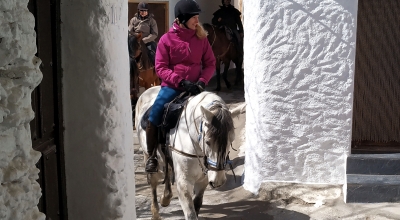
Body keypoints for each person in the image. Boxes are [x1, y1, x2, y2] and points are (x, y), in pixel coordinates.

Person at [144, 0, 216, 173]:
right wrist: (180, 81)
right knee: (154, 114)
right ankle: (152, 155)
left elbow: (210, 63)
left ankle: (215, 154)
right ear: (182, 19)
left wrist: (202, 81)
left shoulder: (201, 38)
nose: (197, 21)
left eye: (197, 17)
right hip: (173, 87)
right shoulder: (166, 40)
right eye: (194, 17)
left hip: (196, 88)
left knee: (214, 114)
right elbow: (160, 68)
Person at [128, 2, 158, 66]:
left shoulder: (152, 21)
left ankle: (156, 68)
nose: (143, 12)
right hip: (135, 40)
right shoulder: (133, 20)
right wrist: (136, 36)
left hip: (147, 40)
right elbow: (130, 31)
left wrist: (145, 39)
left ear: (148, 11)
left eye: (145, 11)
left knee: (153, 54)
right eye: (141, 10)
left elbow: (154, 34)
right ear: (138, 11)